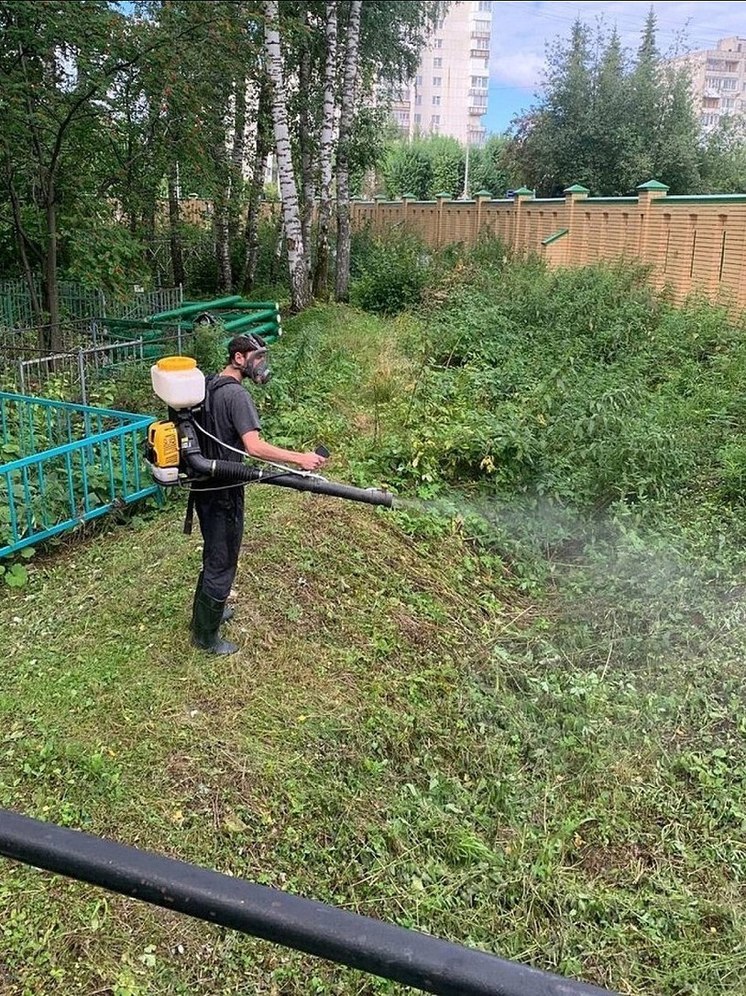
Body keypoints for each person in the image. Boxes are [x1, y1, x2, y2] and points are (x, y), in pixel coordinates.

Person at [190, 333, 327, 655]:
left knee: (214, 551)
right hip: (223, 488)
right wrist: (301, 459)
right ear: (239, 358)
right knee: (223, 560)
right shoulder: (236, 395)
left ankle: (209, 613)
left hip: (204, 484)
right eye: (257, 356)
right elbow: (254, 446)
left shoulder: (209, 385)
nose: (261, 363)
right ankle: (205, 637)